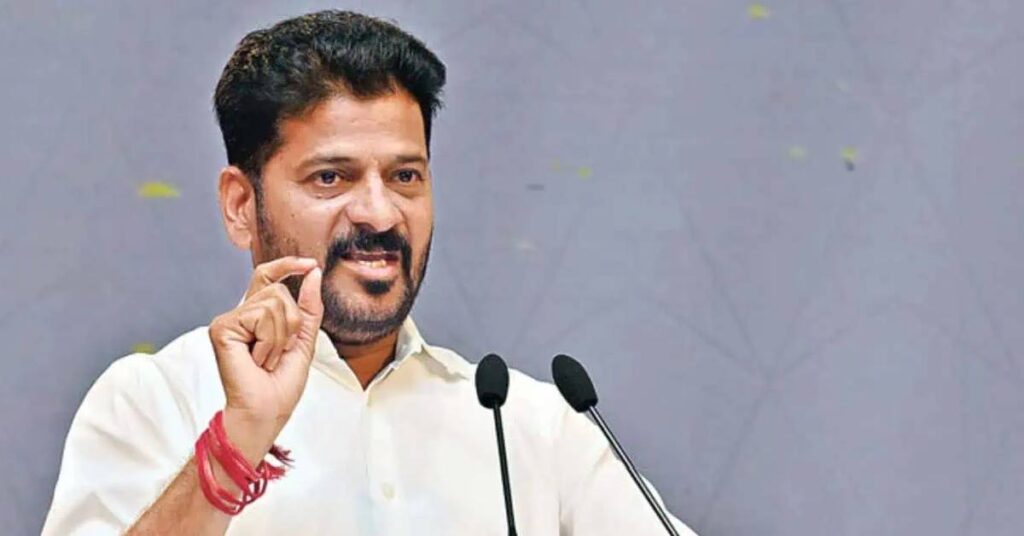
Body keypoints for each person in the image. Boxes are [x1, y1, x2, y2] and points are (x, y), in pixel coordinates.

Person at [42, 10, 696, 535]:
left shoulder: (528, 424)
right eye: (332, 177)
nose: (380, 214)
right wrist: (237, 441)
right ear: (241, 206)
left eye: (405, 176)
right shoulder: (153, 401)